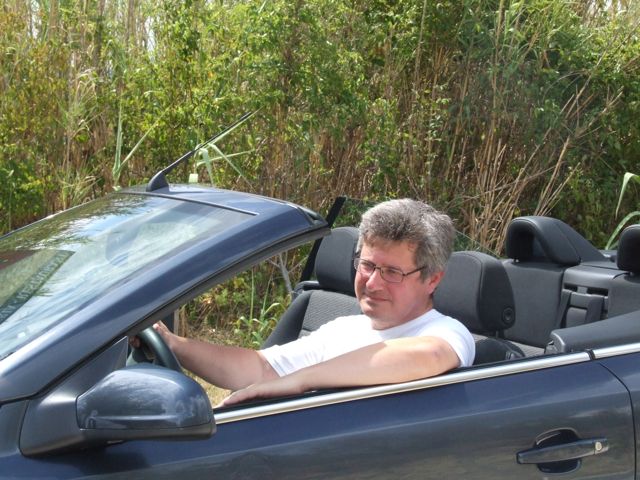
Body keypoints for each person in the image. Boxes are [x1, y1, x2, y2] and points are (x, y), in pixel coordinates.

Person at [152, 198, 475, 406]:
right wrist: (174, 344)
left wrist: (300, 380)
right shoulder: (343, 328)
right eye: (367, 265)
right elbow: (261, 369)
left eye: (392, 272)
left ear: (432, 279)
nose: (372, 282)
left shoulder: (446, 334)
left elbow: (429, 356)